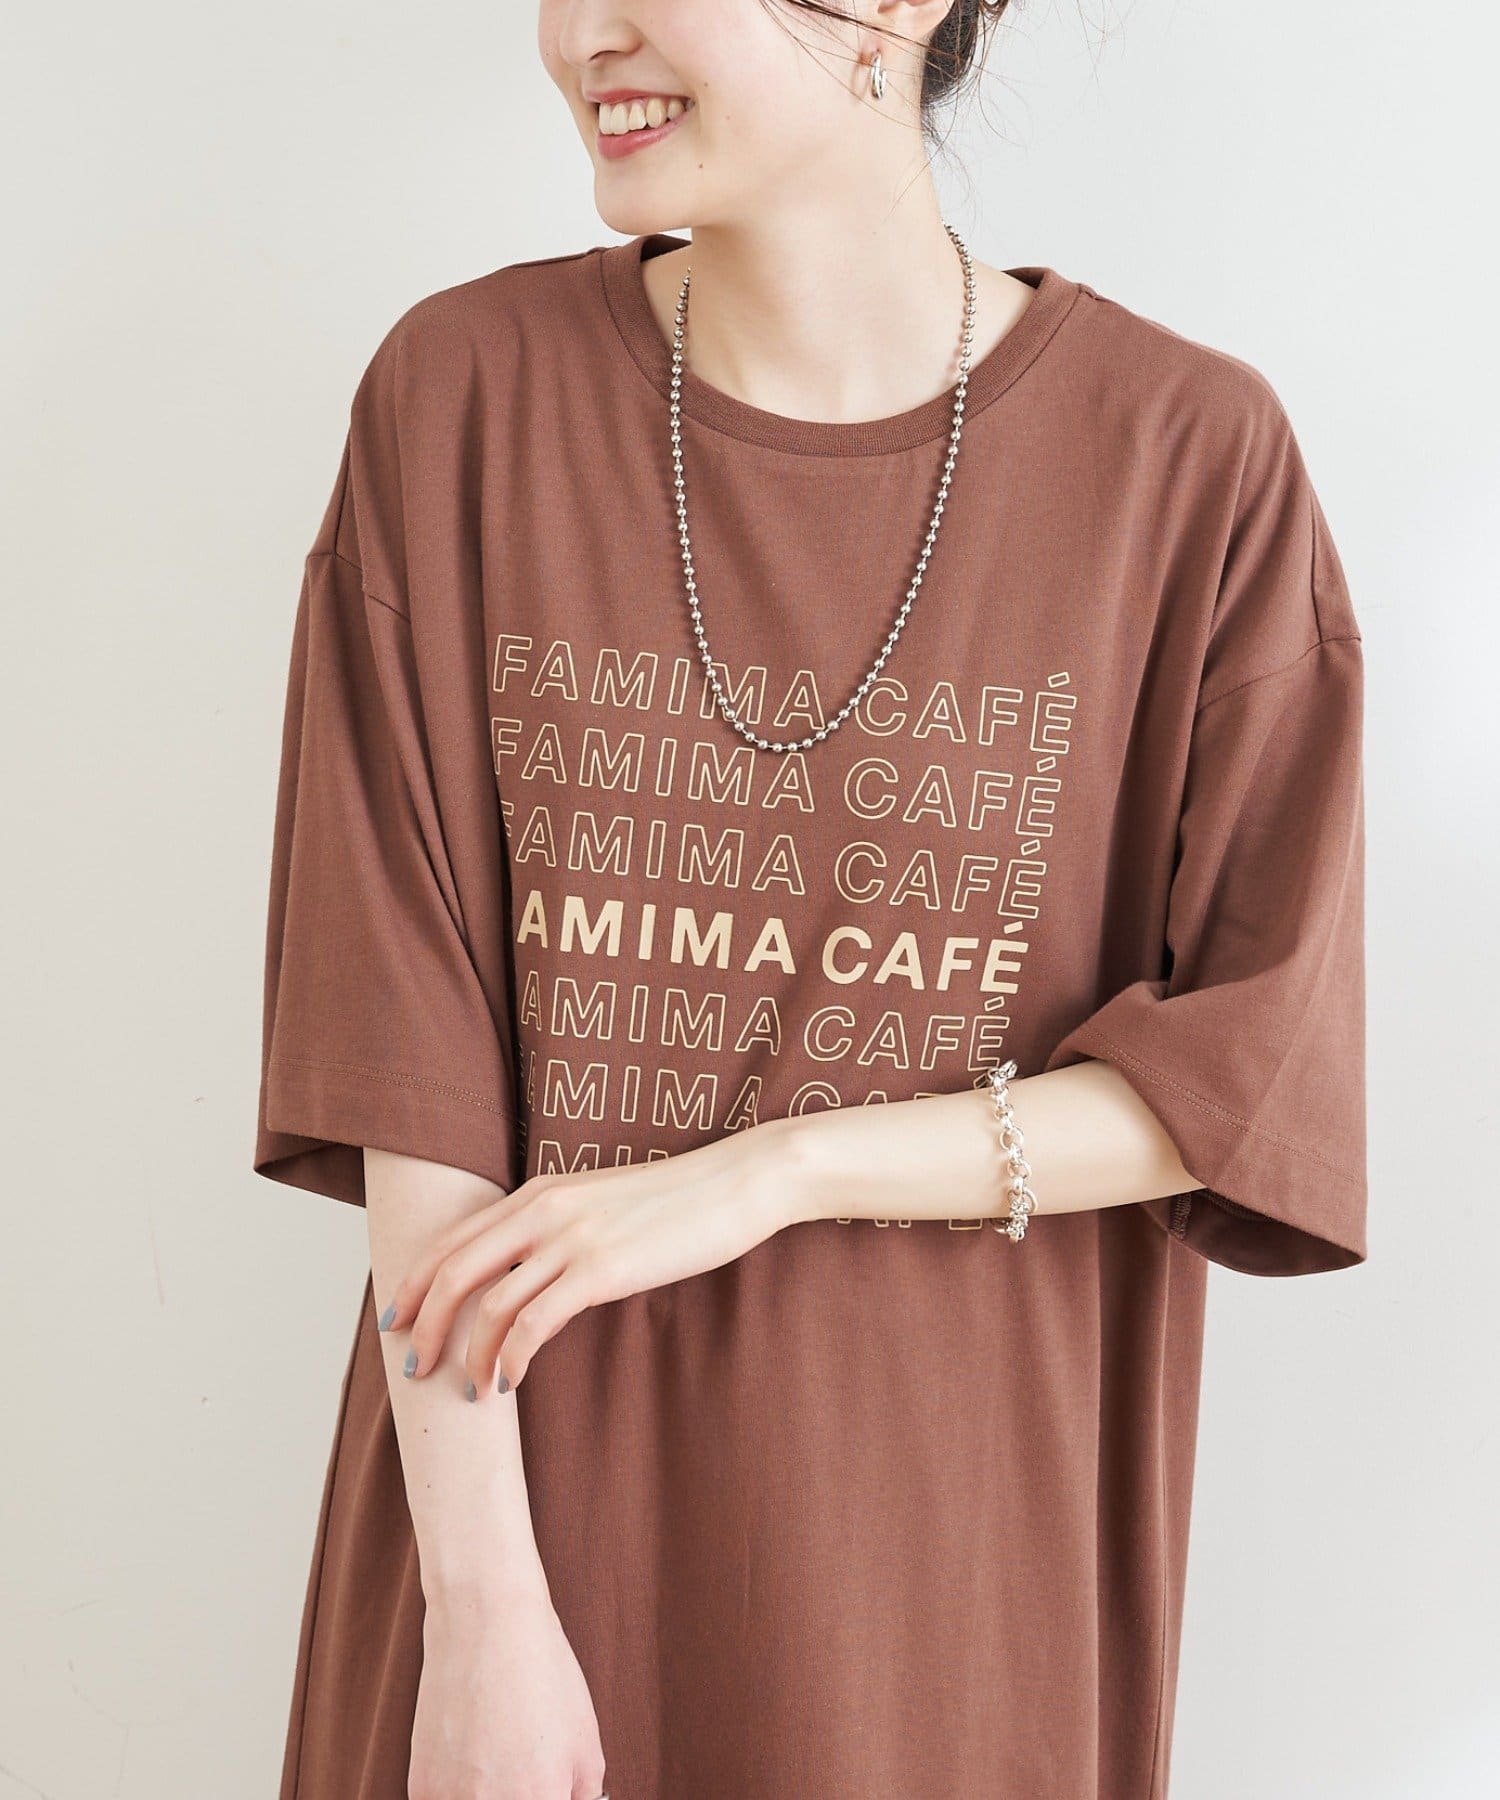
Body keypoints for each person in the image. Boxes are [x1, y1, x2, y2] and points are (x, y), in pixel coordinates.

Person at [252, 1, 1368, 1795]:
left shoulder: (1186, 464)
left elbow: (1243, 1080)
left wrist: (775, 1172)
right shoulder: (465, 400)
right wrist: (481, 1617)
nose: (581, 32)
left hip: (949, 1595)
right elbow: (406, 1066)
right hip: (520, 1575)